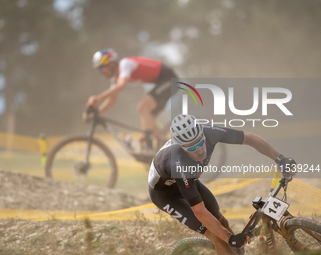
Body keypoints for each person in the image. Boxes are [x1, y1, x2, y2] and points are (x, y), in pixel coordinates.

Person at [148, 114, 296, 255]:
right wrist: (228, 238)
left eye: (200, 142)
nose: (199, 149)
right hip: (166, 195)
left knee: (222, 222)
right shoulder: (177, 163)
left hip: (189, 182)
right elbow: (199, 210)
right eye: (191, 147)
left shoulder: (210, 133)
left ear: (203, 134)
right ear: (181, 147)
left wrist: (281, 159)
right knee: (217, 236)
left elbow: (249, 138)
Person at [85, 48, 177, 151]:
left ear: (111, 64)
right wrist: (97, 112)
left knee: (143, 107)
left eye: (101, 68)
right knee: (149, 120)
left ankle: (149, 148)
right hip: (162, 82)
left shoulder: (125, 64)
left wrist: (98, 98)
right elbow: (112, 98)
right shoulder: (116, 77)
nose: (100, 72)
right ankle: (169, 146)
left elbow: (121, 86)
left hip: (169, 79)